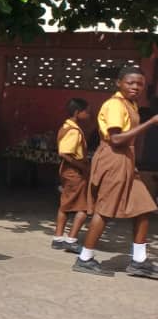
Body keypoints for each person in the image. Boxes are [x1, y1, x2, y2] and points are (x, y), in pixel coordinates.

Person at [73, 67, 158, 278]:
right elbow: (117, 139)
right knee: (105, 210)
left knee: (143, 207)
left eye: (139, 84)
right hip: (114, 158)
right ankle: (84, 258)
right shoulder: (114, 105)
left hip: (126, 160)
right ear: (119, 83)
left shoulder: (131, 105)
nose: (135, 87)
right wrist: (151, 123)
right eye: (130, 83)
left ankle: (139, 261)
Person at [52, 98, 91, 253]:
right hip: (74, 173)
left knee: (65, 205)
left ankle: (58, 238)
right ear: (77, 112)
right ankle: (71, 239)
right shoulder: (73, 131)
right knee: (84, 207)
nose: (89, 115)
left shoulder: (66, 126)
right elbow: (65, 153)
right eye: (87, 112)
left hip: (69, 172)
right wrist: (83, 166)